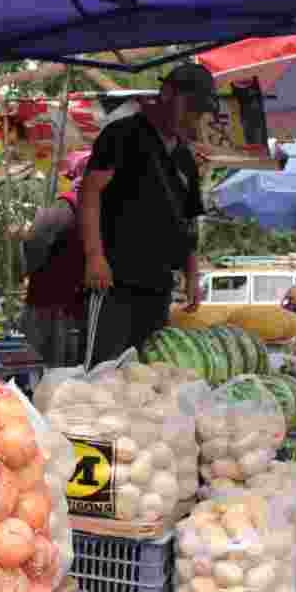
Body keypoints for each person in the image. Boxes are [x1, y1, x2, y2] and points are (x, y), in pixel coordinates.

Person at [79, 63, 218, 365]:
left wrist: (193, 275)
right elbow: (89, 192)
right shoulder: (122, 134)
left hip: (158, 287)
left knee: (148, 374)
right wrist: (94, 257)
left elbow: (190, 220)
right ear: (167, 94)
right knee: (104, 370)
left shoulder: (185, 158)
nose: (194, 116)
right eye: (191, 106)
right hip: (114, 281)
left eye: (200, 110)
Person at [17, 152, 90, 366]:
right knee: (52, 369)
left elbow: (33, 243)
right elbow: (35, 241)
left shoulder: (75, 206)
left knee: (50, 368)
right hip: (57, 306)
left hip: (60, 307)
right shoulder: (72, 206)